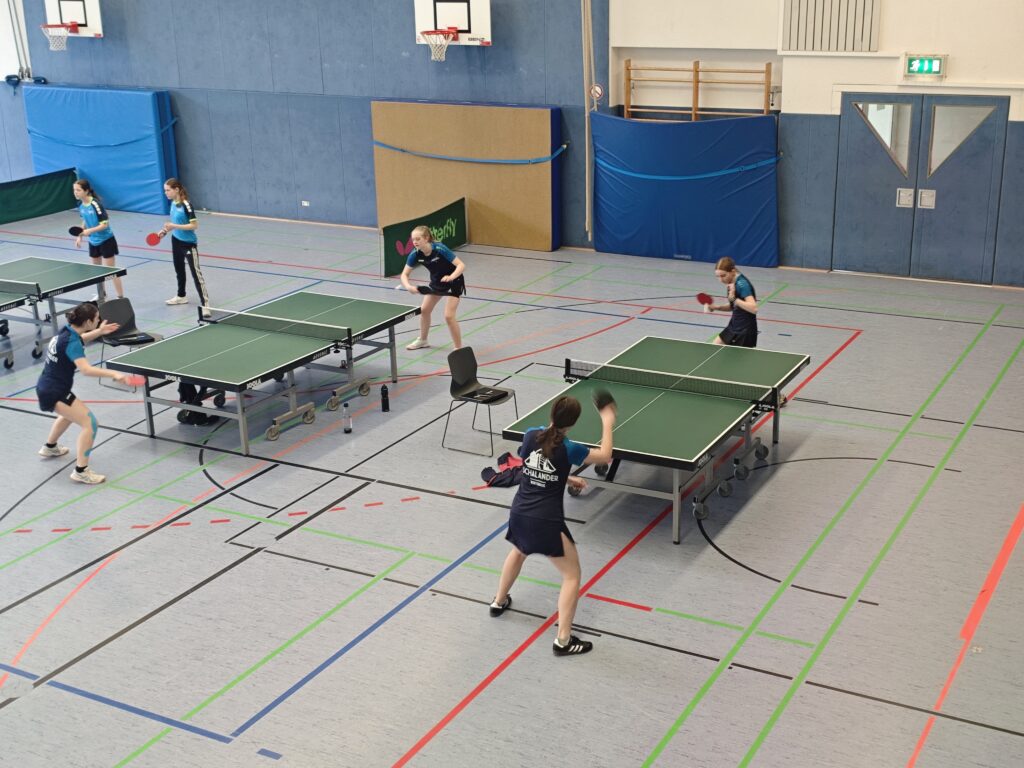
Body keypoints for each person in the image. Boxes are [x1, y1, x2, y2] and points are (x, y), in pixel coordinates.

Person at [490, 394, 616, 657]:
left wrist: (566, 478)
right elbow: (605, 456)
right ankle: (563, 641)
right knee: (572, 575)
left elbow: (534, 465)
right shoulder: (570, 448)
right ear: (573, 423)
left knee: (519, 551)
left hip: (519, 512)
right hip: (546, 521)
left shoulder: (530, 435)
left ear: (551, 414)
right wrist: (607, 420)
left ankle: (499, 601)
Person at [35, 302, 129, 484]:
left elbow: (80, 339)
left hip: (46, 386)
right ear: (87, 322)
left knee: (69, 415)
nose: (99, 320)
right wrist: (113, 374)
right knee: (90, 423)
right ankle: (81, 471)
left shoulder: (66, 332)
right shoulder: (72, 342)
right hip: (55, 391)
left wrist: (99, 331)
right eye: (97, 319)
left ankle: (50, 447)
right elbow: (86, 370)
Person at [399, 226, 465, 350]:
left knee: (449, 316)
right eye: (413, 239)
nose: (415, 242)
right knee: (424, 310)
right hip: (437, 282)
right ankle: (423, 340)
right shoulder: (415, 254)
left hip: (454, 281)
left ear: (426, 238)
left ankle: (458, 348)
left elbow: (461, 265)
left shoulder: (440, 249)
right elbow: (404, 274)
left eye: (418, 239)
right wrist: (408, 286)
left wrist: (451, 277)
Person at [160, 178, 211, 315]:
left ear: (176, 189)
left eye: (168, 190)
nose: (165, 193)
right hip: (176, 241)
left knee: (196, 274)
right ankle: (181, 296)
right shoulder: (173, 203)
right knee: (179, 270)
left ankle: (205, 304)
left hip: (188, 244)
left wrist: (173, 226)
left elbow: (194, 225)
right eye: (165, 190)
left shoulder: (186, 205)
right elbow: (174, 222)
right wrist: (164, 231)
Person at [72, 179, 124, 300]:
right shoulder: (81, 205)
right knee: (97, 271)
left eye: (78, 190)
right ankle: (102, 294)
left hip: (106, 240)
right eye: (74, 190)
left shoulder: (95, 204)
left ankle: (121, 297)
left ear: (86, 191)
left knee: (111, 271)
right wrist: (80, 235)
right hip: (93, 241)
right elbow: (84, 220)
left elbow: (104, 225)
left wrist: (89, 231)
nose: (75, 192)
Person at [707, 256, 758, 348]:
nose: (720, 280)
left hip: (744, 332)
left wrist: (735, 300)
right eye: (718, 276)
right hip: (733, 326)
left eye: (723, 275)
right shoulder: (731, 283)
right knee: (713, 348)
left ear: (733, 271)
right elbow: (733, 306)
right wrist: (717, 307)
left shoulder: (742, 284)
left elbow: (754, 308)